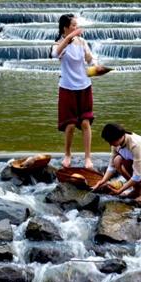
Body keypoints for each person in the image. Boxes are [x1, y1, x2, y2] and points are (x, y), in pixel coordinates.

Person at [51, 13, 95, 168]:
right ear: (65, 29)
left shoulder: (82, 42)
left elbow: (90, 60)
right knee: (69, 125)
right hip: (67, 87)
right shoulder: (59, 44)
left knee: (85, 122)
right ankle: (67, 154)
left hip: (84, 85)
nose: (77, 28)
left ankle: (88, 157)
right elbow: (55, 54)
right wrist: (69, 39)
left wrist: (91, 58)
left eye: (77, 26)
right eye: (73, 26)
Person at [92, 123, 141, 203]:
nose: (110, 144)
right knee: (117, 160)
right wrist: (102, 181)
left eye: (111, 141)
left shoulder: (136, 144)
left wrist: (120, 190)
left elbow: (137, 175)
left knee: (127, 163)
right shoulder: (116, 144)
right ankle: (137, 189)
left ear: (120, 137)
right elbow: (112, 166)